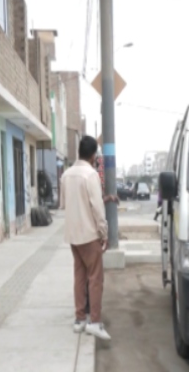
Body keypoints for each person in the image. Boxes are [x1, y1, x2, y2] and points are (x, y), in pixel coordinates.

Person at [59, 136, 111, 340]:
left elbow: (63, 204)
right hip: (89, 235)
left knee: (79, 276)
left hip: (73, 235)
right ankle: (95, 322)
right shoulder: (90, 175)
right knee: (95, 278)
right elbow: (98, 208)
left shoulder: (66, 175)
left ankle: (80, 319)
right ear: (93, 155)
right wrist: (104, 233)